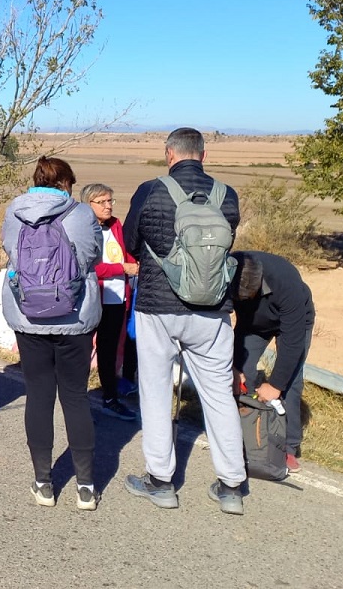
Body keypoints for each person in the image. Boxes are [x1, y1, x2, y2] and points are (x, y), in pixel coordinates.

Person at [122, 127, 245, 515]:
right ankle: (231, 486)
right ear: (204, 156)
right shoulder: (227, 195)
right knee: (219, 395)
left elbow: (130, 242)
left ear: (169, 154)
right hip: (213, 310)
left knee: (156, 391)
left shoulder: (150, 190)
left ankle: (161, 482)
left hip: (158, 306)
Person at [1, 156, 103, 510]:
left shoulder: (14, 211)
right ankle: (86, 486)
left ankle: (43, 482)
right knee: (75, 397)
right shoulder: (82, 214)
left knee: (39, 396)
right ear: (67, 183)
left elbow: (10, 252)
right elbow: (93, 256)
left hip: (29, 316)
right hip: (74, 317)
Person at [231, 250, 315, 474]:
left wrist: (275, 385)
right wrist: (233, 366)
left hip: (294, 322)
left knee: (290, 382)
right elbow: (223, 320)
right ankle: (248, 435)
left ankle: (287, 446)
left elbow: (293, 344)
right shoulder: (227, 269)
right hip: (251, 324)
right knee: (241, 373)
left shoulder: (286, 282)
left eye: (249, 295)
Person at [80, 183, 139, 421]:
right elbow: (89, 266)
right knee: (83, 349)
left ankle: (110, 398)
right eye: (102, 202)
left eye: (110, 201)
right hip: (92, 297)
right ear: (88, 204)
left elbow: (125, 255)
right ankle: (76, 399)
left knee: (109, 350)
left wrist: (134, 265)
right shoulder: (82, 228)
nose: (108, 206)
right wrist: (121, 268)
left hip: (116, 298)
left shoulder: (115, 224)